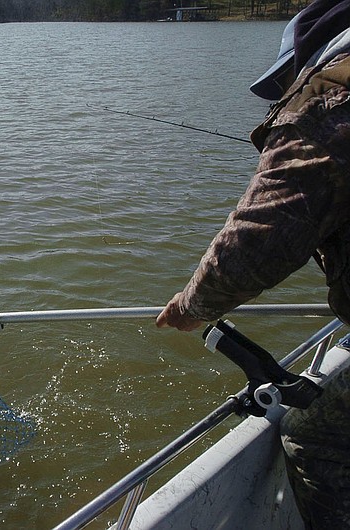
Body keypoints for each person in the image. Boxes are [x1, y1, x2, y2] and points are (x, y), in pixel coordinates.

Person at [155, 1, 350, 528]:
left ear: (313, 57)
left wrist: (193, 304)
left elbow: (262, 237)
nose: (291, 85)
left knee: (315, 437)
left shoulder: (331, 100)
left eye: (290, 74)